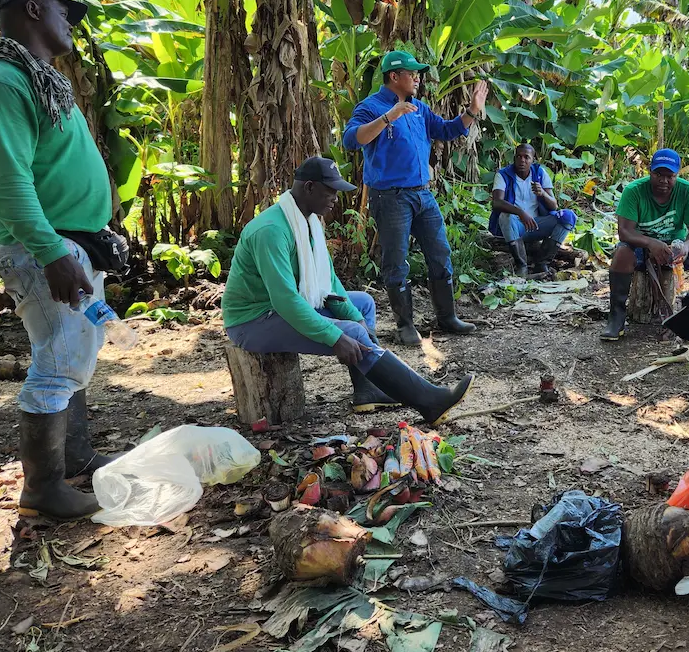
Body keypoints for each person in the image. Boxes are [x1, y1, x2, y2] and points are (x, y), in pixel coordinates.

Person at [0, 0, 117, 520]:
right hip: (43, 248)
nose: (70, 20)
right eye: (61, 9)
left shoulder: (38, 78)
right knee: (58, 361)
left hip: (69, 243)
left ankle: (76, 458)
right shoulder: (0, 81)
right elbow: (5, 182)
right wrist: (51, 252)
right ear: (33, 9)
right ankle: (42, 488)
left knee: (73, 356)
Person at [223, 157, 473, 425]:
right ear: (309, 187)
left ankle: (368, 389)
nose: (335, 198)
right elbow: (285, 300)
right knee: (350, 333)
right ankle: (430, 402)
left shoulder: (307, 222)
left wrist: (355, 319)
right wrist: (335, 335)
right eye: (330, 190)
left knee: (362, 305)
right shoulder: (272, 230)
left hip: (283, 307)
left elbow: (330, 284)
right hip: (253, 320)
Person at [343, 51, 487, 344]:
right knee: (396, 261)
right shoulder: (371, 107)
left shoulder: (419, 107)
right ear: (394, 77)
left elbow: (447, 130)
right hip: (391, 198)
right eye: (413, 73)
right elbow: (350, 140)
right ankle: (404, 325)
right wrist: (388, 117)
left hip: (423, 194)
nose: (418, 78)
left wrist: (472, 110)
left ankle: (447, 318)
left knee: (440, 254)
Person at [601, 149, 689, 341]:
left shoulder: (688, 191)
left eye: (670, 176)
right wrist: (650, 243)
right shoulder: (634, 191)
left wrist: (686, 246)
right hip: (641, 246)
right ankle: (616, 316)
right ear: (650, 171)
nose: (663, 181)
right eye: (658, 175)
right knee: (622, 254)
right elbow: (625, 232)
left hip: (675, 246)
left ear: (677, 174)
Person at [489, 143, 577, 277]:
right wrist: (520, 212)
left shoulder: (540, 173)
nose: (522, 160)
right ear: (514, 158)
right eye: (519, 156)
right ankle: (522, 266)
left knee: (568, 217)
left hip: (537, 225)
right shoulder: (503, 175)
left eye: (526, 157)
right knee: (505, 216)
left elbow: (554, 206)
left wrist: (543, 193)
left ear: (533, 160)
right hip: (515, 226)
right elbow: (497, 202)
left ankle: (542, 263)